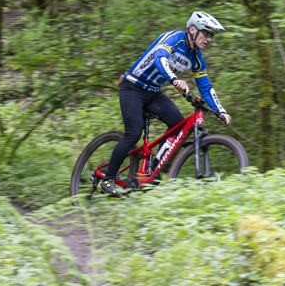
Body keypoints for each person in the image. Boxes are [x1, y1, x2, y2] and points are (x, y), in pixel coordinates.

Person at [96, 11, 232, 196]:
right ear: (192, 30)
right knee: (133, 133)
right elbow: (159, 58)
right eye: (206, 33)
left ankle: (153, 169)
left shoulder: (197, 58)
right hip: (133, 87)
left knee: (178, 126)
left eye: (211, 35)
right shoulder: (174, 38)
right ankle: (107, 179)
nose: (209, 39)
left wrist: (220, 111)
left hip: (153, 92)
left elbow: (206, 88)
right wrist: (175, 80)